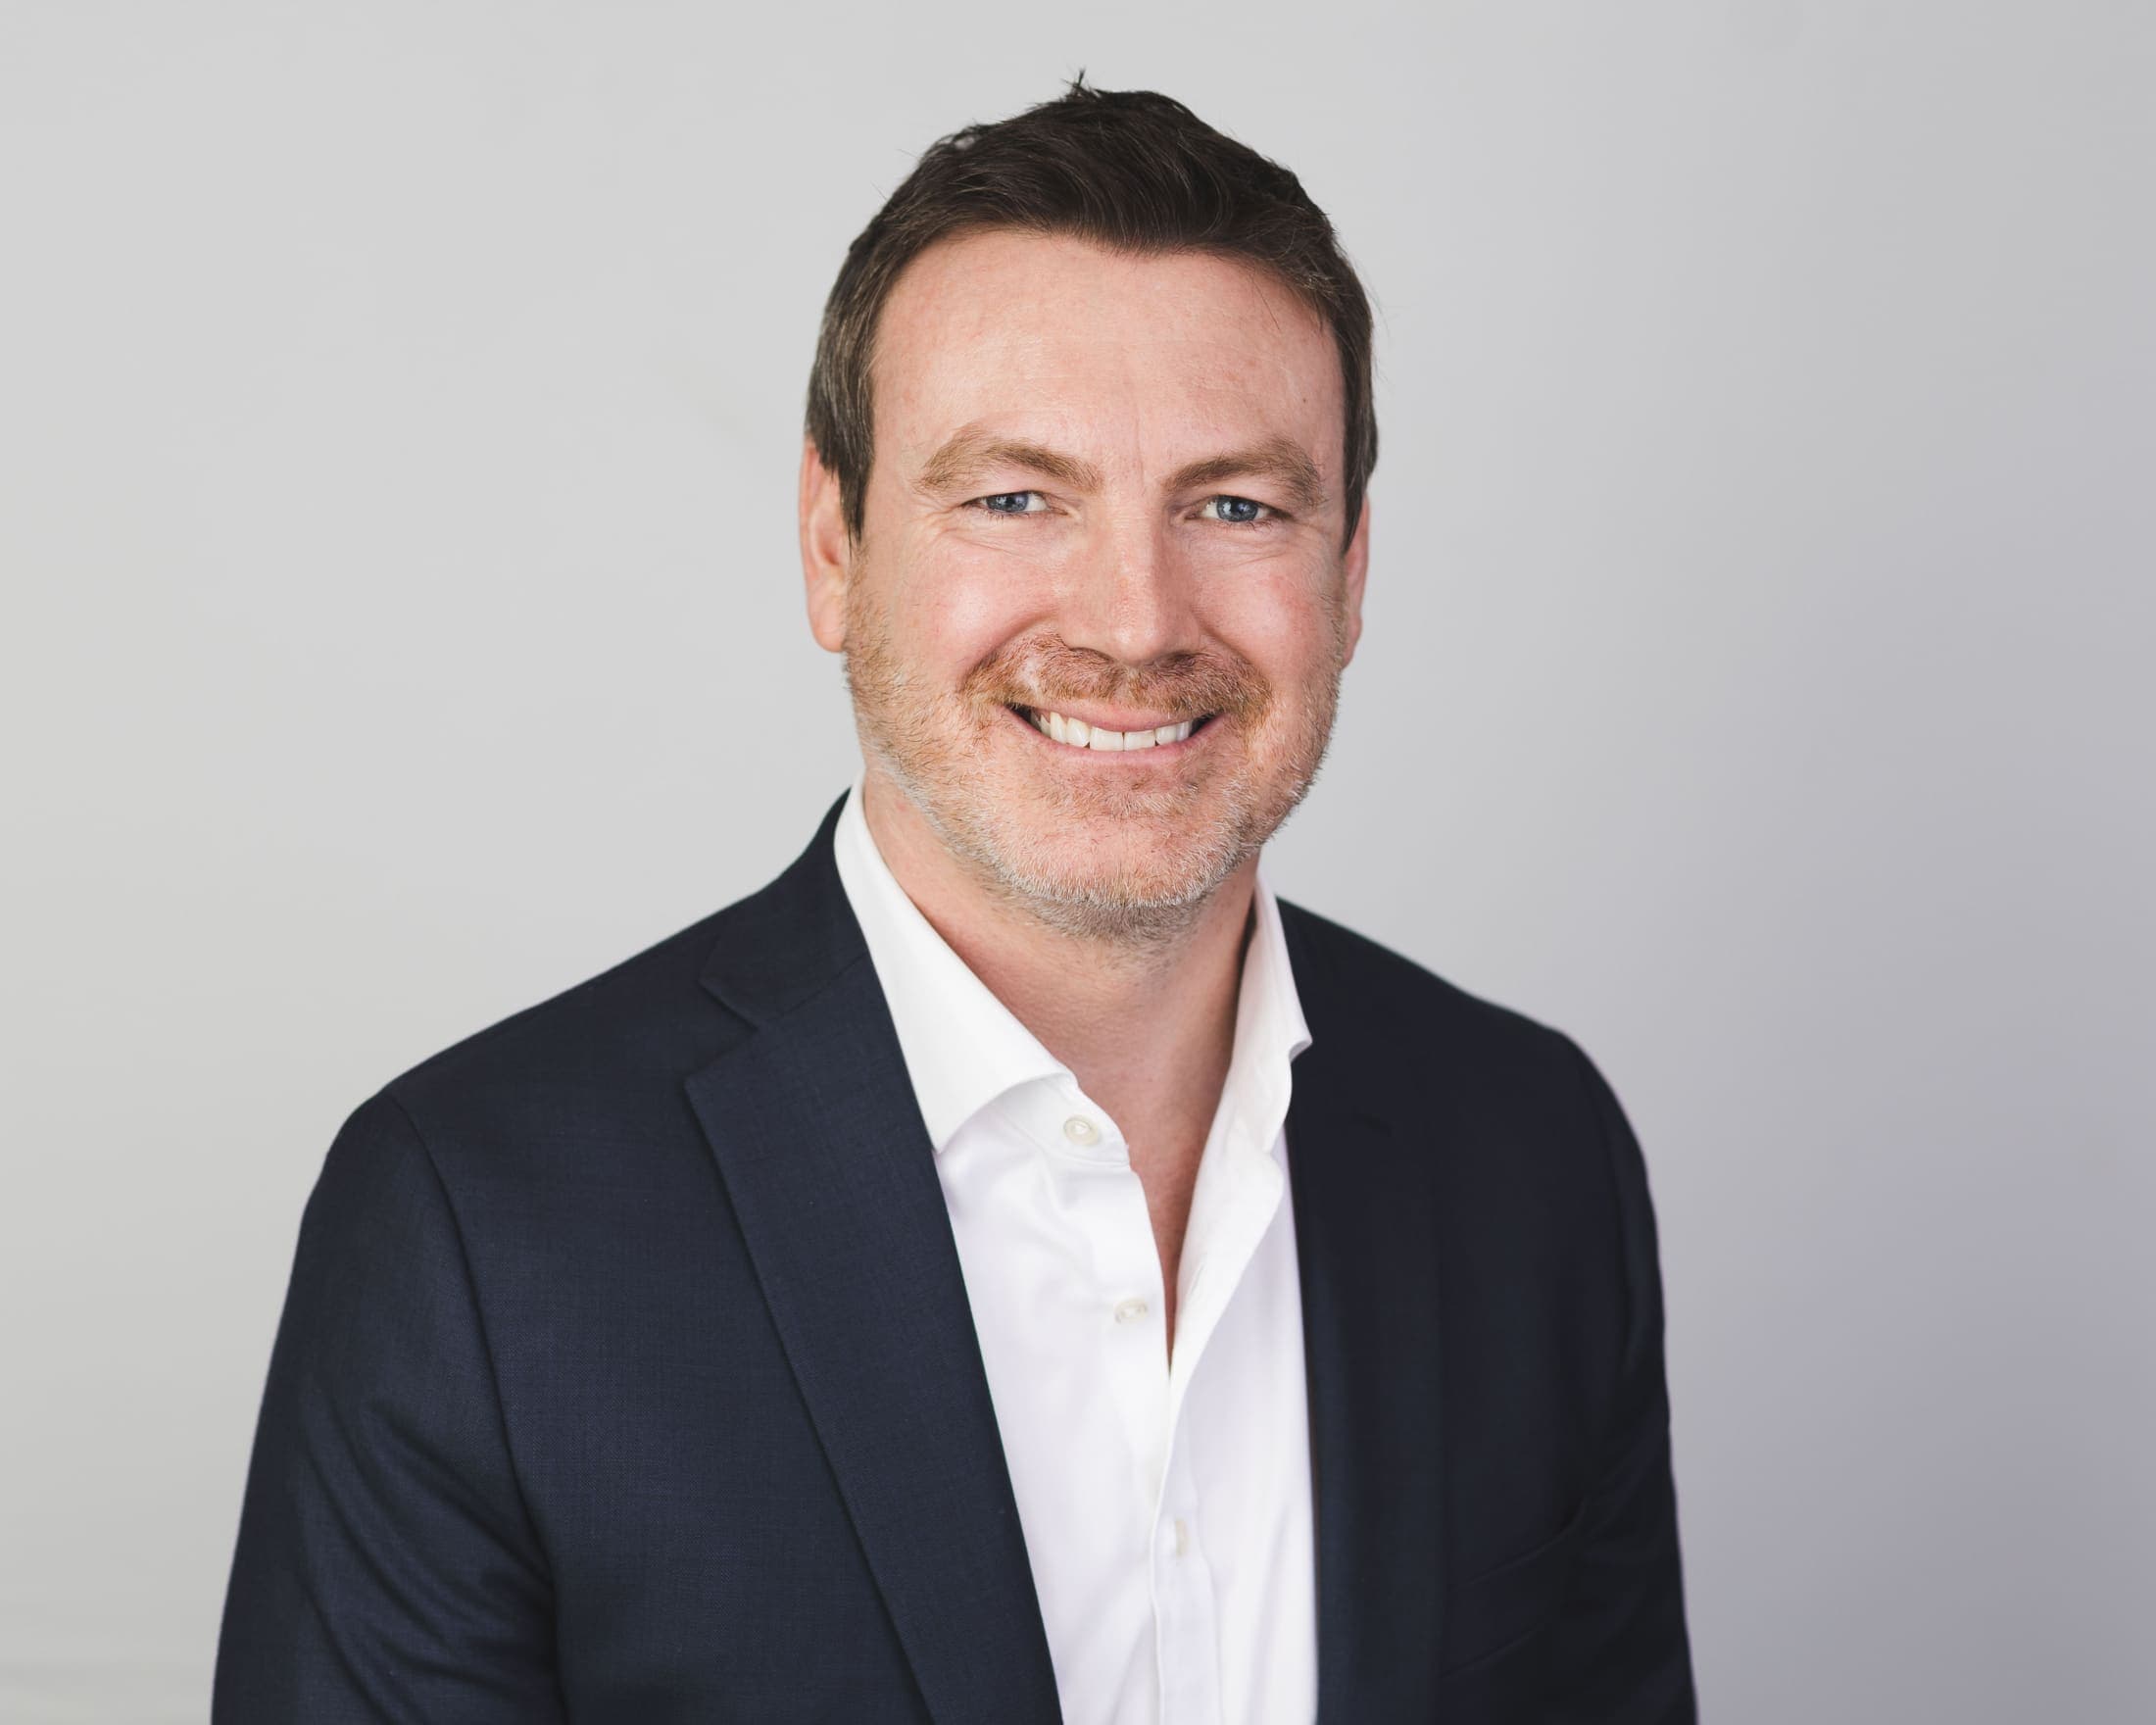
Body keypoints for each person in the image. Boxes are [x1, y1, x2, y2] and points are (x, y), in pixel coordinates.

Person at [213, 80, 1695, 1724]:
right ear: (832, 547)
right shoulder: (476, 1228)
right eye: (1015, 497)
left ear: (1348, 576)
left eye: (1236, 506)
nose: (1135, 622)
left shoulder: (1533, 1155)